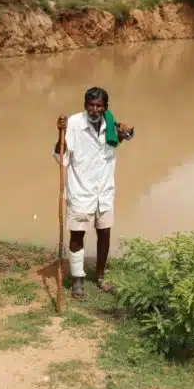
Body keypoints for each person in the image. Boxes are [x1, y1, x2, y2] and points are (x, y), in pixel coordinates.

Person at [53, 86, 134, 299]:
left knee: (104, 233)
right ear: (85, 105)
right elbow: (61, 159)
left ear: (105, 107)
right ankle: (77, 279)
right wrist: (60, 134)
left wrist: (127, 132)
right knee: (77, 234)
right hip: (81, 190)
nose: (94, 110)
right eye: (91, 105)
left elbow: (127, 136)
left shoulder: (111, 125)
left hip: (104, 192)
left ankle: (100, 276)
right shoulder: (73, 124)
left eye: (99, 106)